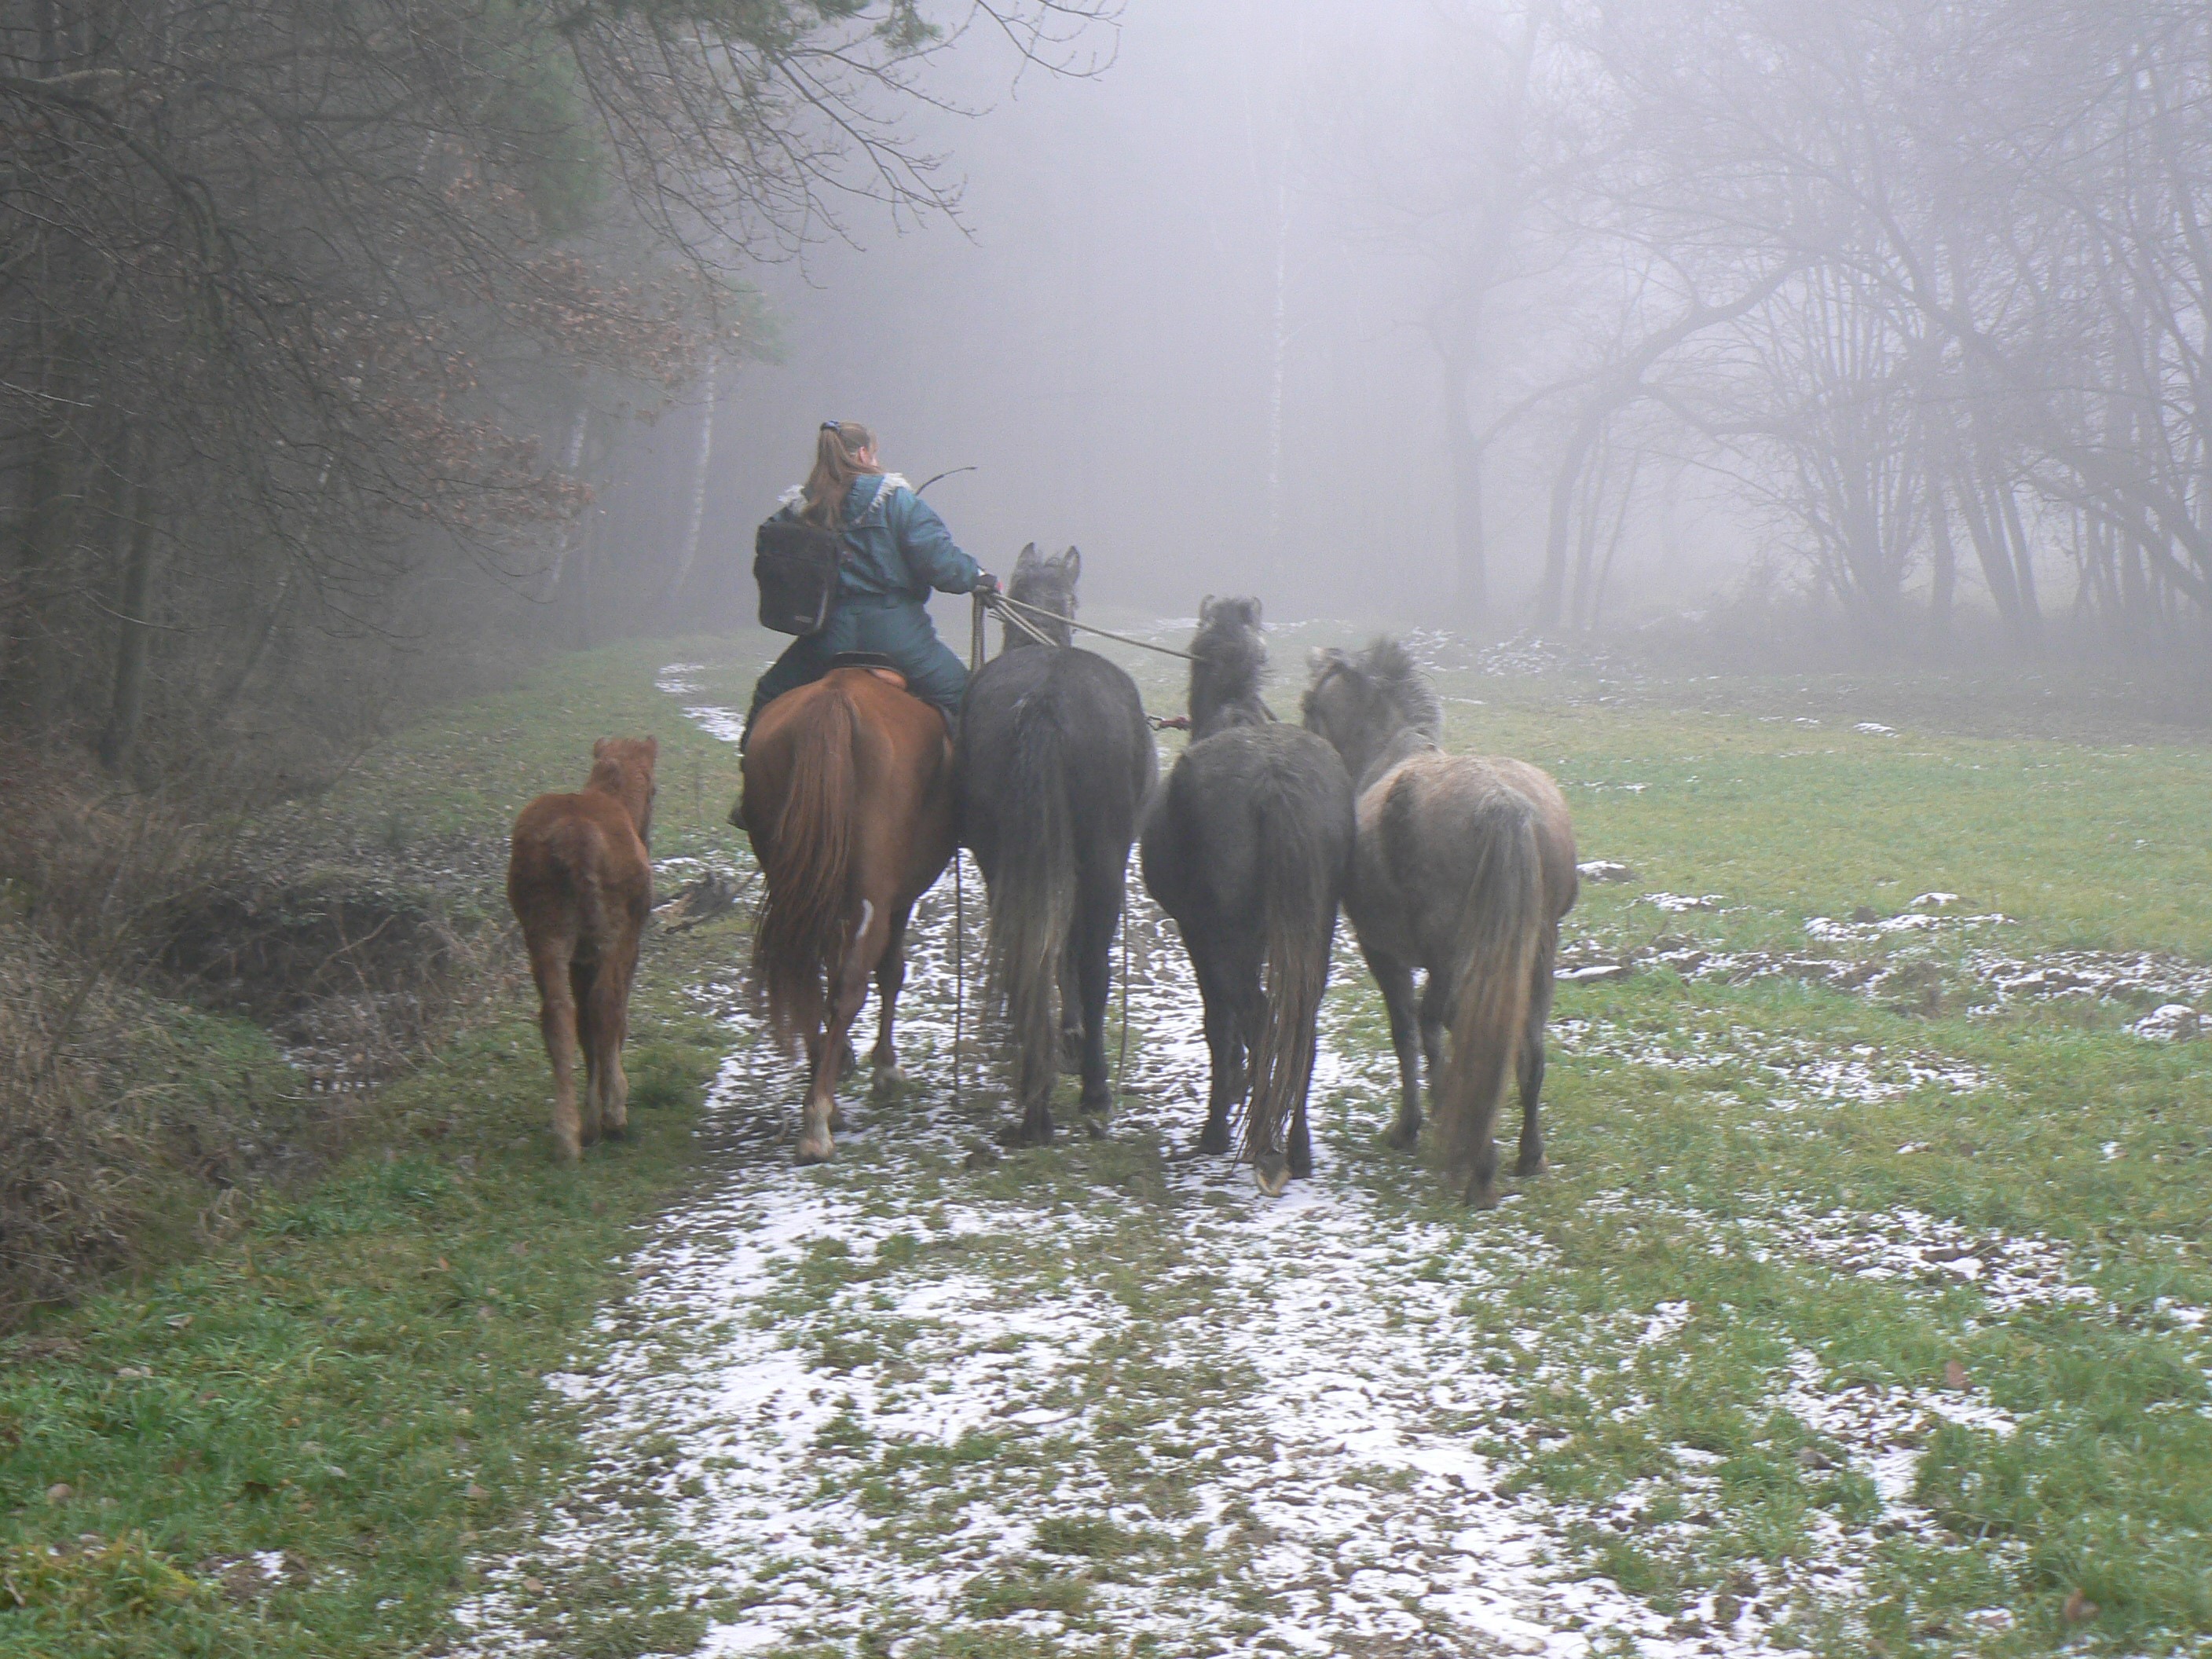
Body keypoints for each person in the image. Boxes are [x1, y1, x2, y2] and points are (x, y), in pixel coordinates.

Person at [744, 420, 995, 745]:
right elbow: (941, 564)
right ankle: (969, 792)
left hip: (826, 637)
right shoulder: (898, 501)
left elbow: (769, 544)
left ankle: (751, 778)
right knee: (968, 700)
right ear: (863, 454)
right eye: (874, 454)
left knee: (768, 696)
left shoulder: (804, 507)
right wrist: (977, 577)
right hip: (900, 636)